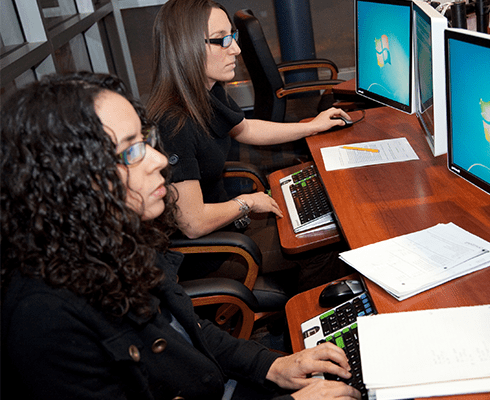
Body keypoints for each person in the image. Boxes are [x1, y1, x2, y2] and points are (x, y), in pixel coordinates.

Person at [0, 72, 361, 400]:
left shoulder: (115, 241)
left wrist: (270, 366)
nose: (158, 159)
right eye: (130, 152)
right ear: (72, 181)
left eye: (146, 141)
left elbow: (187, 333)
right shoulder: (45, 322)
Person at [147, 0, 351, 289]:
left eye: (233, 36)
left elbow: (246, 129)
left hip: (229, 227)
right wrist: (247, 203)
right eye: (222, 40)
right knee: (330, 246)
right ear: (188, 47)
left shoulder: (206, 91)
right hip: (214, 254)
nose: (236, 49)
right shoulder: (173, 124)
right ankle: (301, 320)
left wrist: (311, 126)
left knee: (323, 225)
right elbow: (193, 223)